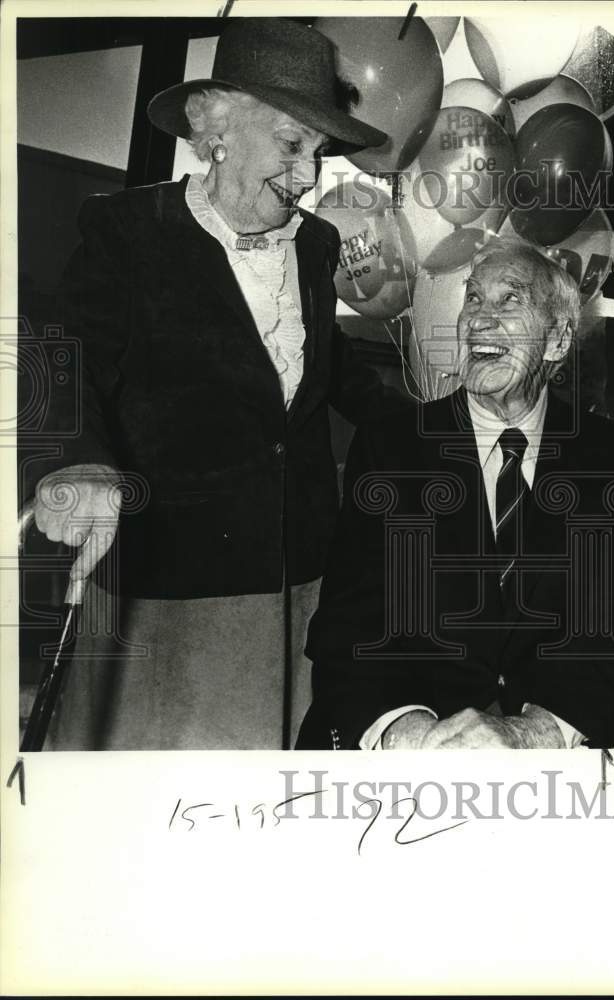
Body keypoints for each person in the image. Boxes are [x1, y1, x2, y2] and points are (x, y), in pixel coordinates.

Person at [28, 18, 404, 750]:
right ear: (215, 125)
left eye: (318, 154)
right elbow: (64, 359)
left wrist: (438, 424)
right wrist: (76, 460)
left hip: (299, 575)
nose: (307, 177)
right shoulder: (129, 229)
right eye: (292, 145)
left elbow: (325, 365)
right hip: (172, 581)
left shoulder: (317, 243)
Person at [297, 237, 614, 750]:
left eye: (509, 301)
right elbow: (349, 626)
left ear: (558, 342)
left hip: (558, 751)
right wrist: (405, 730)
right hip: (413, 749)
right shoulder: (392, 449)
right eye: (473, 299)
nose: (479, 319)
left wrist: (536, 733)